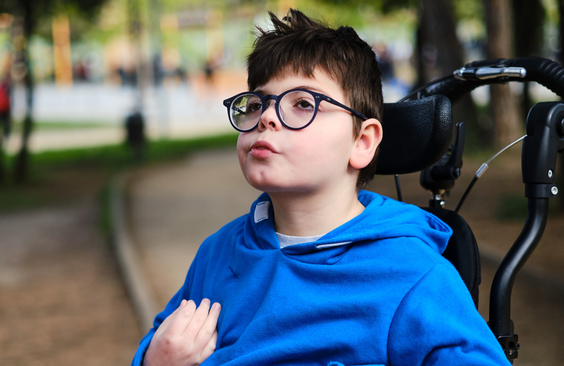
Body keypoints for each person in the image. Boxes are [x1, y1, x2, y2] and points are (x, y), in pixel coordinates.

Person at [131, 9, 510, 366]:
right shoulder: (218, 254)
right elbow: (165, 340)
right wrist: (153, 360)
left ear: (362, 141)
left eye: (302, 103)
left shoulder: (412, 274)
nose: (265, 118)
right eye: (256, 103)